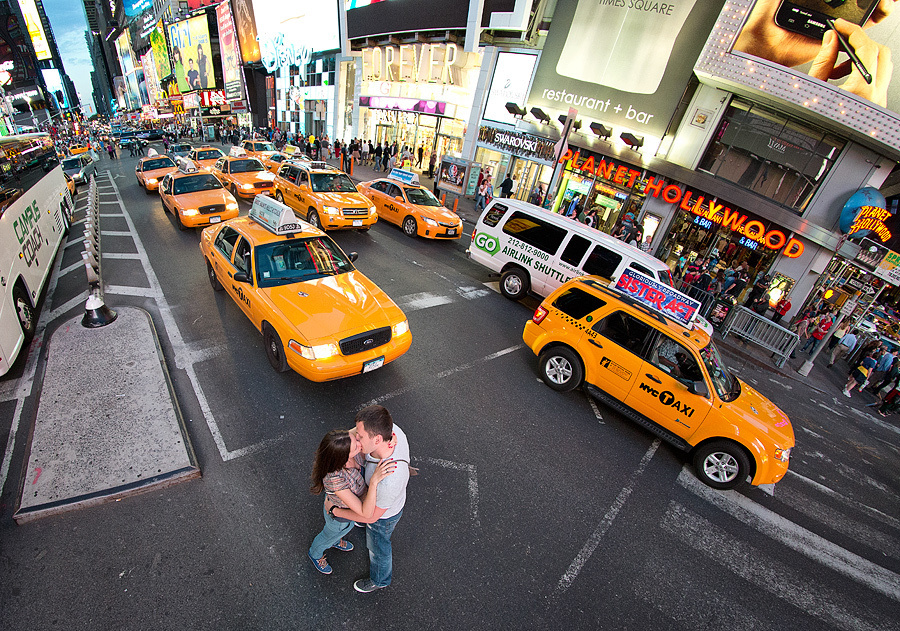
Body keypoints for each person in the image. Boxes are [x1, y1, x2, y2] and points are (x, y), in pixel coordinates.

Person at [331, 405, 411, 593]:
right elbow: (350, 434)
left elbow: (372, 517)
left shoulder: (389, 480)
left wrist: (335, 511)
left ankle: (380, 579)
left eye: (359, 437)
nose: (355, 439)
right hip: (378, 499)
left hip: (383, 517)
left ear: (376, 439)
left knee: (378, 547)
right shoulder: (391, 431)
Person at [308, 430, 396, 575]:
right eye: (356, 446)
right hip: (339, 518)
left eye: (356, 439)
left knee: (345, 529)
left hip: (344, 511)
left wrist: (391, 437)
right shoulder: (335, 479)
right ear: (343, 456)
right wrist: (373, 482)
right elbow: (365, 513)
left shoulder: (344, 443)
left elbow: (365, 428)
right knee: (330, 535)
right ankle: (316, 553)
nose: (360, 443)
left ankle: (335, 541)